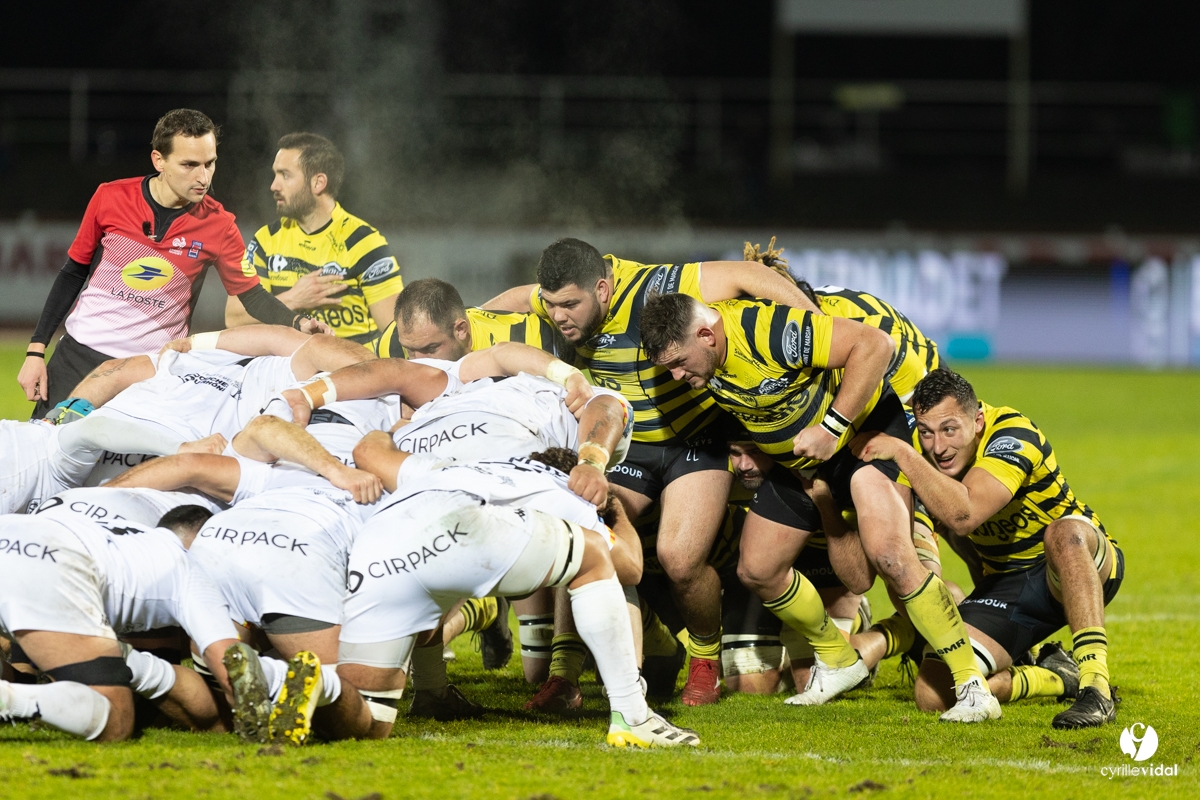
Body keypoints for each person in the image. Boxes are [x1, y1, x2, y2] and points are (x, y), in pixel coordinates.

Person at [482, 237, 822, 705]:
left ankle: (704, 663)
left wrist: (815, 324)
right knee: (579, 527)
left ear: (602, 289)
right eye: (553, 305)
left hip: (694, 442)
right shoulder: (557, 302)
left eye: (570, 305)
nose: (559, 316)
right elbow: (521, 299)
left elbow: (749, 277)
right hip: (631, 449)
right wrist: (478, 316)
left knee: (680, 560)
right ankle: (565, 674)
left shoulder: (655, 285)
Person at [639, 292, 1001, 722]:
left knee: (890, 553)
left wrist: (833, 427)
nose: (677, 375)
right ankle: (839, 660)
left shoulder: (765, 331)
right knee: (757, 568)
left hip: (858, 438)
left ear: (706, 335)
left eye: (680, 363)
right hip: (803, 464)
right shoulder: (702, 360)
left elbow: (874, 345)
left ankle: (973, 687)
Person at [850, 368, 1124, 729]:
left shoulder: (1011, 433)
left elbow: (964, 514)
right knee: (933, 695)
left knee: (1063, 531)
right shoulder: (925, 457)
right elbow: (934, 553)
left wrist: (903, 453)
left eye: (950, 429)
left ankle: (1095, 687)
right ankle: (1056, 677)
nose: (939, 446)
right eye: (927, 432)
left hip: (1075, 564)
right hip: (1008, 586)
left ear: (977, 419)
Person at [18, 109, 321, 417]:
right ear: (158, 161)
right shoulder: (110, 197)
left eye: (210, 163)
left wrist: (298, 323)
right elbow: (73, 273)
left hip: (149, 373)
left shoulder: (220, 225)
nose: (203, 177)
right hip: (76, 359)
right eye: (189, 165)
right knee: (44, 457)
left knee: (134, 468)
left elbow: (252, 295)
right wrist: (36, 350)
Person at [224, 133, 403, 346]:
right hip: (289, 366)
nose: (274, 186)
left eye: (285, 175)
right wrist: (293, 298)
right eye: (275, 175)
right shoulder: (266, 240)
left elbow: (396, 331)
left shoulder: (363, 242)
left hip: (351, 366)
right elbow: (233, 318)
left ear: (318, 183)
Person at [374, 277, 570, 361]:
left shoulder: (527, 339)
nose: (419, 362)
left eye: (430, 349)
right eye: (411, 351)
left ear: (461, 329)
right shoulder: (392, 345)